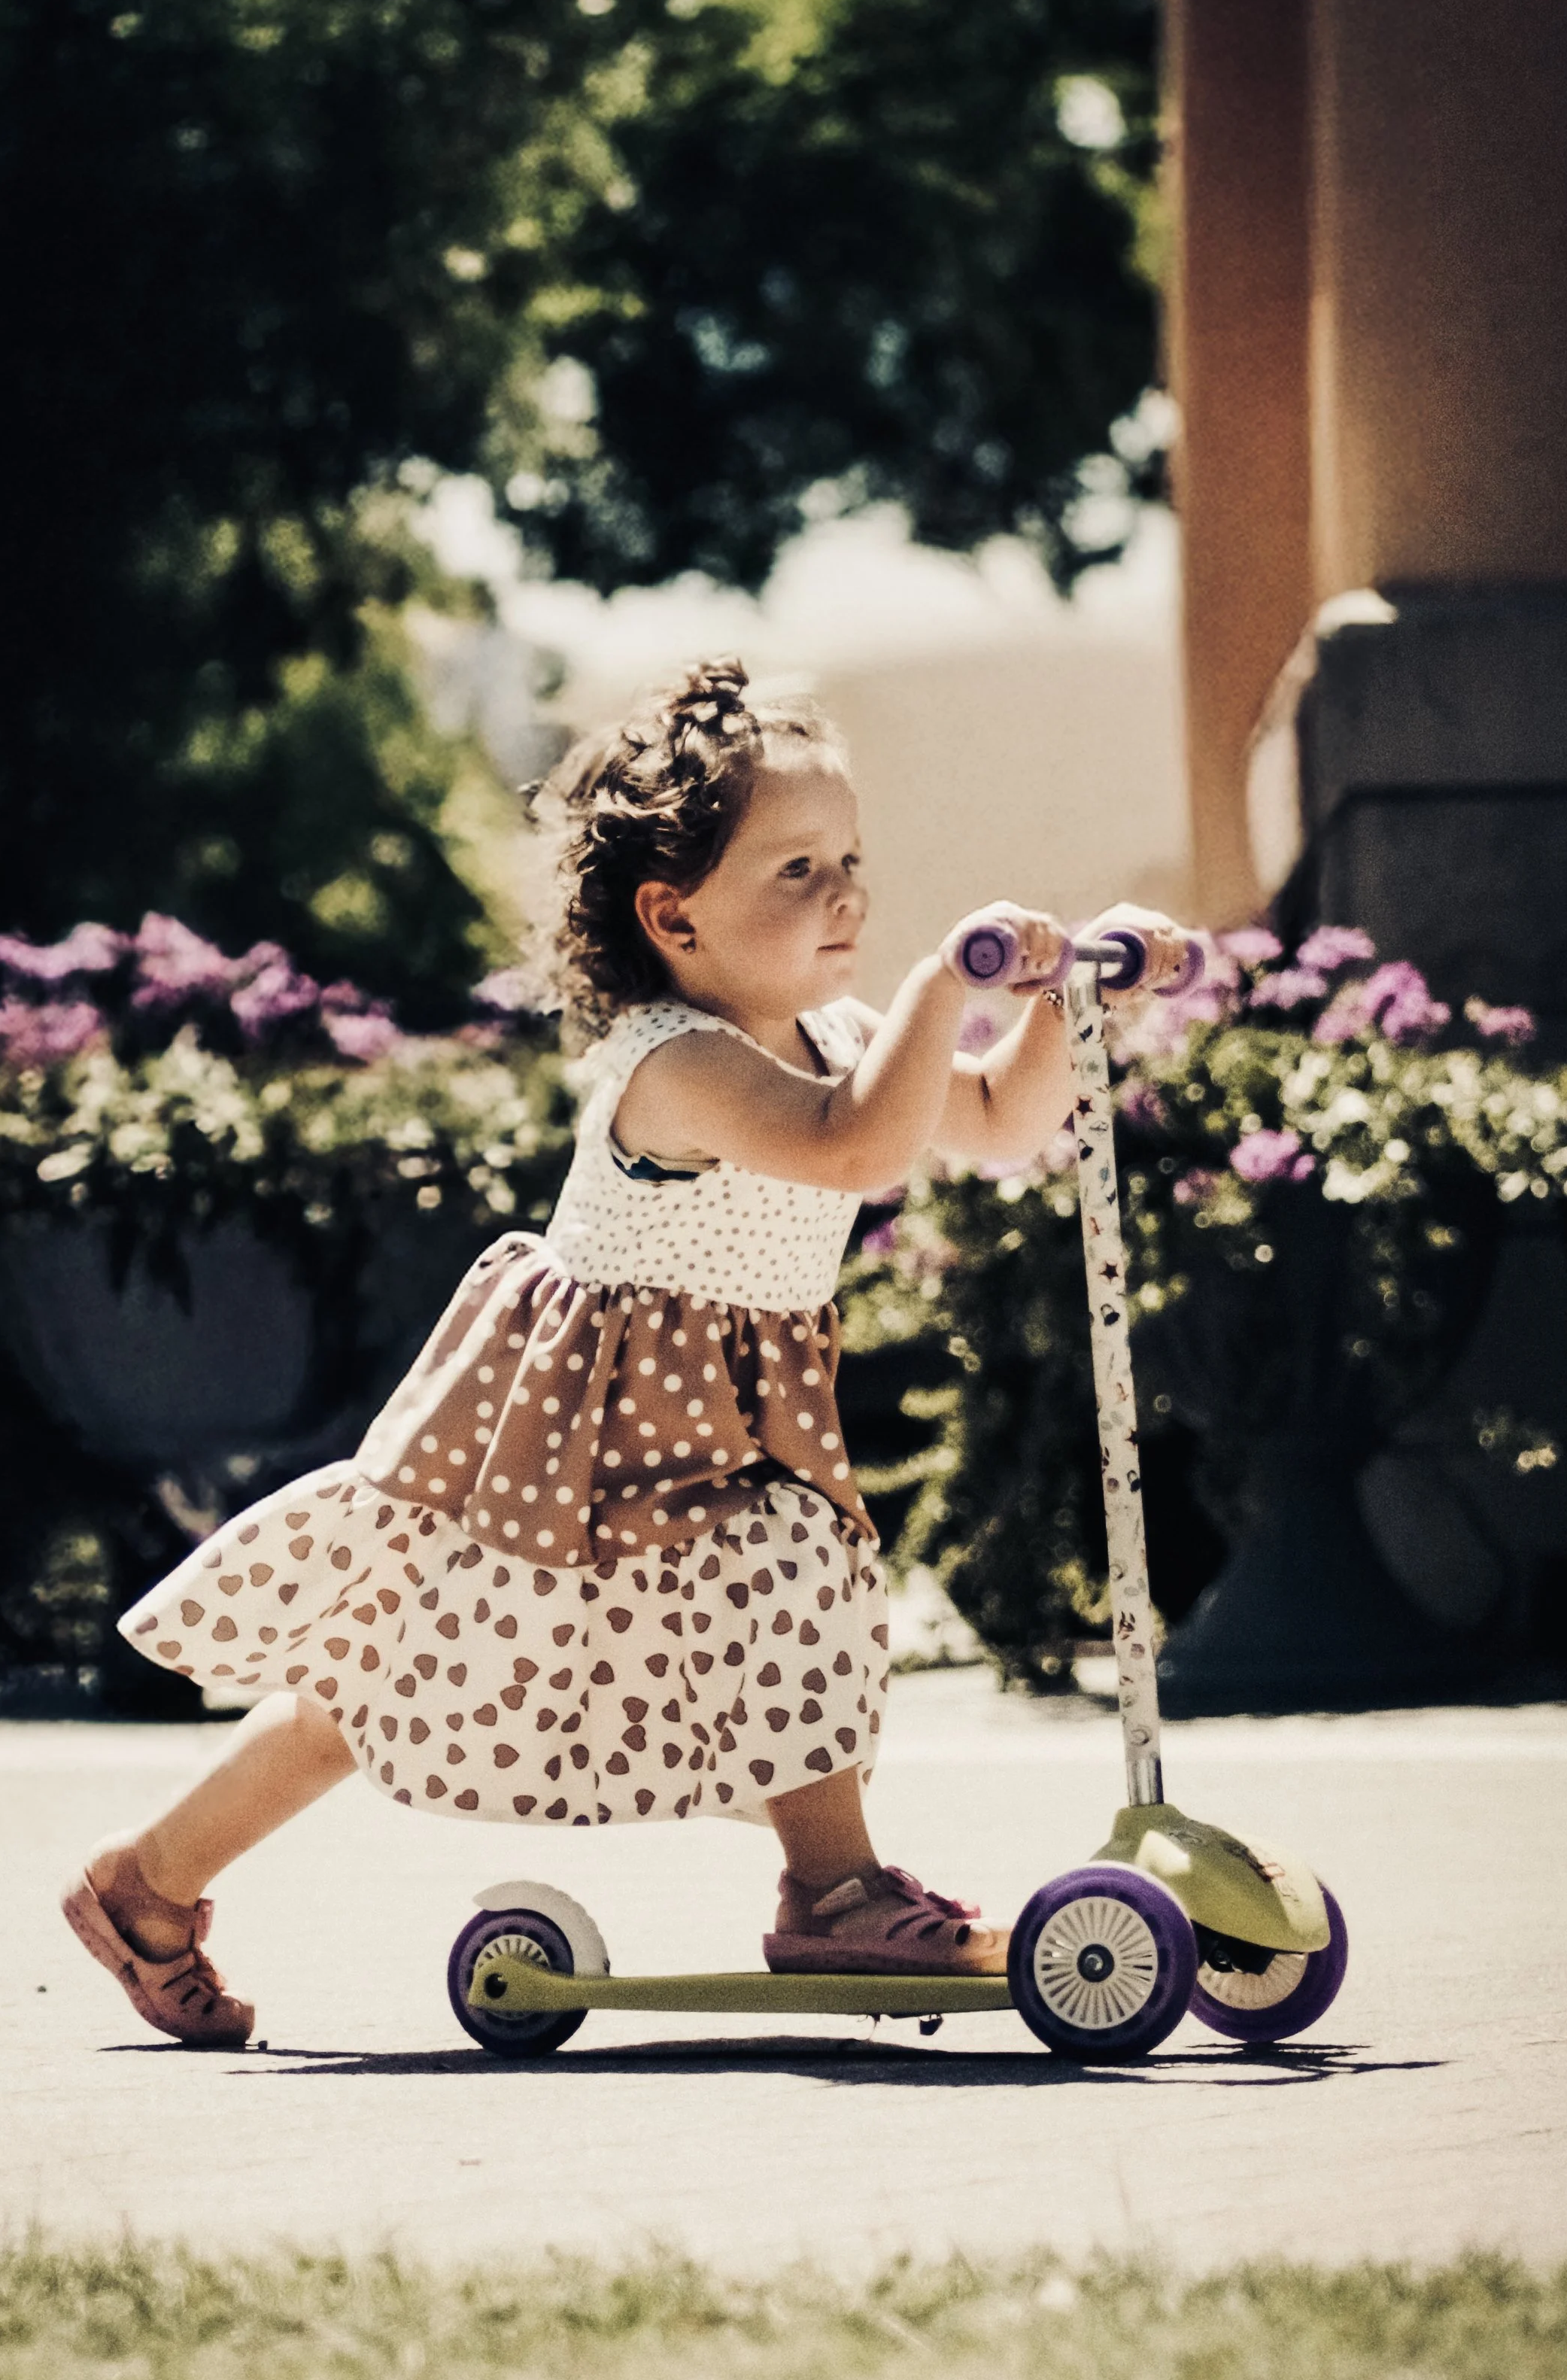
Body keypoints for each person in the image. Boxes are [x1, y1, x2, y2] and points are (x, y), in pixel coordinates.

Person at [63, 658, 1186, 2044]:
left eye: (849, 858)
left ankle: (828, 1889)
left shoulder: (831, 1031)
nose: (841, 890)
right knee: (393, 1673)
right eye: (793, 870)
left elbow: (1001, 1126)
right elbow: (857, 1144)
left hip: (719, 1422)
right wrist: (934, 987)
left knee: (788, 1578)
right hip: (580, 1427)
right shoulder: (679, 1060)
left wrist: (1075, 998)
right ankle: (146, 1882)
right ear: (674, 915)